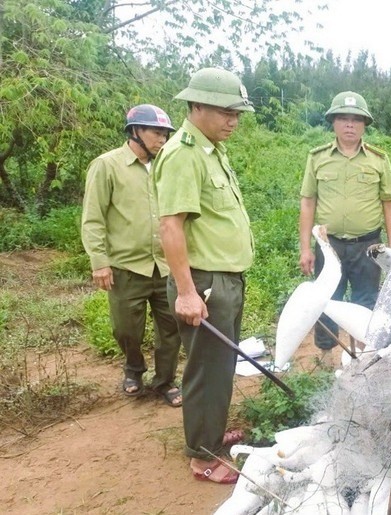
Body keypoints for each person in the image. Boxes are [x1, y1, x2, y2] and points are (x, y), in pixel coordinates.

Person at [153, 67, 254, 484]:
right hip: (205, 283)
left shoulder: (211, 149)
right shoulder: (183, 153)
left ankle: (210, 435)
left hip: (223, 279)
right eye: (224, 111)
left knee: (220, 366)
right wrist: (187, 292)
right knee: (205, 370)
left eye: (238, 113)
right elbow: (170, 226)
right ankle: (203, 457)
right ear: (196, 106)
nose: (233, 120)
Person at [81, 104, 182, 407]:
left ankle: (165, 381)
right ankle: (134, 369)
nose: (162, 139)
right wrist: (100, 263)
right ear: (135, 131)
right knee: (126, 328)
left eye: (165, 133)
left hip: (166, 265)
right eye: (155, 132)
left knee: (171, 328)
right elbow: (93, 218)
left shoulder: (168, 165)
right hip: (126, 265)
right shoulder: (107, 165)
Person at [298, 91, 391, 353]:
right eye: (343, 119)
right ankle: (326, 357)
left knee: (365, 302)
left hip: (367, 246)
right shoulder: (317, 157)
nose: (350, 125)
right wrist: (306, 248)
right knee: (327, 300)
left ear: (365, 124)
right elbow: (308, 202)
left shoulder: (378, 159)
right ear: (333, 122)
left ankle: (364, 357)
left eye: (356, 120)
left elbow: (390, 204)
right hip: (329, 245)